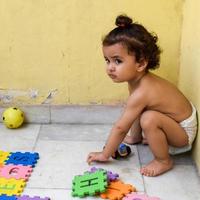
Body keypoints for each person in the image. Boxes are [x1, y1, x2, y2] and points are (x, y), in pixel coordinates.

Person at [87, 15, 198, 176]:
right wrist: (135, 136)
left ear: (140, 64)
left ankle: (163, 161)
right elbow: (133, 113)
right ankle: (137, 137)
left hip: (183, 133)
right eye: (107, 60)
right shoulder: (137, 81)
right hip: (175, 122)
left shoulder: (142, 91)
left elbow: (120, 127)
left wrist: (105, 154)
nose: (110, 68)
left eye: (117, 61)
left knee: (149, 118)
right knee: (139, 110)